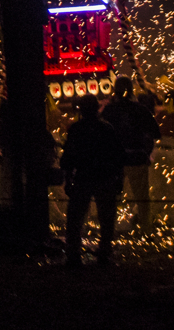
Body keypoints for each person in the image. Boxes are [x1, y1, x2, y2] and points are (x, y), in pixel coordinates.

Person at [60, 93, 125, 267]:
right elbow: (118, 157)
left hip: (84, 176)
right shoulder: (106, 128)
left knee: (75, 217)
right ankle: (104, 253)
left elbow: (68, 157)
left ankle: (73, 254)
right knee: (106, 218)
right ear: (97, 109)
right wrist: (119, 179)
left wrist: (68, 178)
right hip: (104, 176)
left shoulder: (76, 129)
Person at [102, 75, 161, 236]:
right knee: (142, 198)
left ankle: (109, 231)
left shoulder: (109, 111)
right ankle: (146, 230)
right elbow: (156, 133)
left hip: (115, 161)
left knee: (112, 197)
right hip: (137, 157)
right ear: (130, 90)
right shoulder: (140, 110)